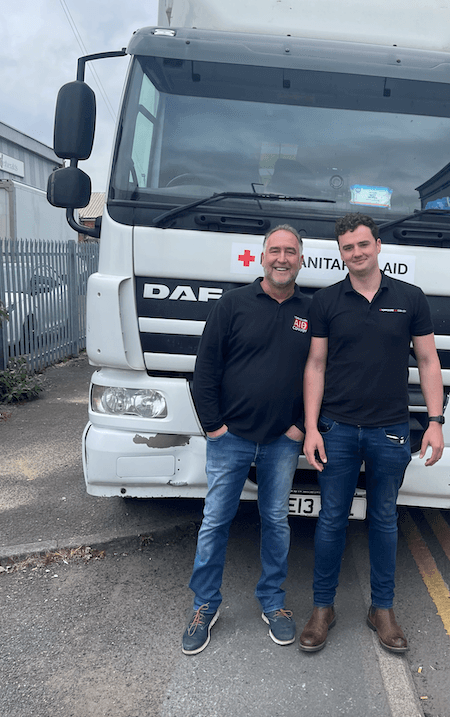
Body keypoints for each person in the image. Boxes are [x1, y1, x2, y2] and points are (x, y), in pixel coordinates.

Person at [299, 213, 444, 654]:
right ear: (339, 253)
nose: (356, 253)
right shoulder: (325, 301)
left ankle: (382, 609)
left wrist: (435, 421)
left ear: (378, 246)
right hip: (337, 429)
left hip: (390, 431)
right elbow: (315, 366)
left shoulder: (410, 298)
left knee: (383, 520)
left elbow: (428, 362)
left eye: (363, 244)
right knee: (330, 520)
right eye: (347, 247)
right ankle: (323, 609)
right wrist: (310, 428)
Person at [182, 224, 311, 655]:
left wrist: (299, 427)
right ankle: (205, 605)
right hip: (230, 438)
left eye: (289, 252)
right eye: (275, 250)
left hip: (282, 441)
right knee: (215, 521)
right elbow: (206, 372)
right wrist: (214, 427)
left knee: (276, 521)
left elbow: (320, 376)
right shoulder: (232, 305)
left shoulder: (311, 313)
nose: (282, 258)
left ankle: (273, 603)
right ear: (262, 257)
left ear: (300, 259)